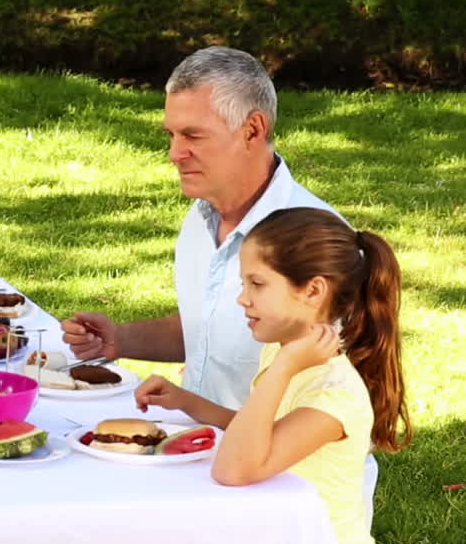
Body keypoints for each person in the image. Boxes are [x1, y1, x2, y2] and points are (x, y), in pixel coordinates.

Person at [63, 46, 335, 410]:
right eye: (171, 135)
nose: (175, 153)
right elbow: (206, 329)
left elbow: (334, 402)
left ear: (252, 130)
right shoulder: (202, 216)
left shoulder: (316, 243)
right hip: (194, 442)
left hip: (276, 460)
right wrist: (120, 339)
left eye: (193, 136)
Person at [135, 207, 412, 544]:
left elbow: (235, 469)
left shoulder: (331, 395)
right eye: (243, 283)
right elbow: (257, 433)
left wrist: (283, 368)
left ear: (313, 291)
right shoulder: (282, 353)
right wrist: (186, 401)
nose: (242, 297)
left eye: (257, 284)